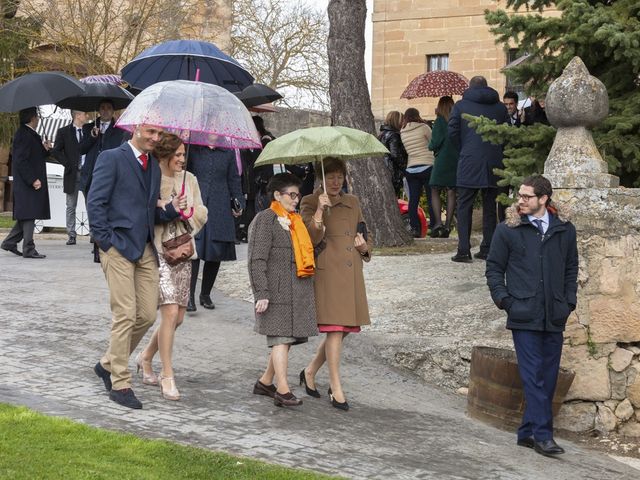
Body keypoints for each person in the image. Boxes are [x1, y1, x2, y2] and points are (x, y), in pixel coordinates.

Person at [88, 124, 187, 409]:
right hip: (116, 246)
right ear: (136, 129)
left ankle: (107, 363)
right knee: (125, 314)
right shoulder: (111, 158)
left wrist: (170, 209)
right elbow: (95, 203)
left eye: (159, 135)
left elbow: (148, 211)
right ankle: (120, 383)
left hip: (144, 248)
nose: (155, 139)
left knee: (144, 314)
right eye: (150, 132)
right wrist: (105, 242)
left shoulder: (153, 167)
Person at [486, 175, 578, 457]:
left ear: (543, 199)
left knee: (548, 377)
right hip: (523, 313)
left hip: (555, 314)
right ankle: (543, 436)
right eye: (519, 195)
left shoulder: (564, 229)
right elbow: (493, 269)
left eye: (527, 196)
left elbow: (570, 268)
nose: (520, 201)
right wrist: (505, 301)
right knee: (533, 376)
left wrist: (568, 302)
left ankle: (526, 432)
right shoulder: (508, 230)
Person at [137, 133, 207, 401]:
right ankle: (168, 375)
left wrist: (189, 212)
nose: (181, 159)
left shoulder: (190, 179)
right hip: (159, 253)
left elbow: (202, 211)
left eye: (183, 154)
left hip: (184, 253)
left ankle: (145, 357)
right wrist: (168, 207)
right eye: (177, 155)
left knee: (177, 317)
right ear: (164, 155)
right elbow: (146, 213)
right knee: (168, 314)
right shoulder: (152, 177)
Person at [299, 157, 372, 411]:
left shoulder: (352, 202)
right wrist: (320, 210)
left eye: (339, 177)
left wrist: (365, 248)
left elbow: (364, 232)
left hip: (351, 272)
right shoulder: (309, 201)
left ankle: (309, 371)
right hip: (327, 273)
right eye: (330, 177)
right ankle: (336, 387)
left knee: (339, 332)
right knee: (335, 329)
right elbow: (309, 237)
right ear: (321, 178)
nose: (335, 182)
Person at [248, 173, 318, 407]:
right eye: (292, 194)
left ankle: (265, 382)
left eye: (298, 195)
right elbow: (256, 259)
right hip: (275, 292)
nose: (296, 199)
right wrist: (262, 293)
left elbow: (306, 251)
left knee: (285, 340)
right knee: (279, 339)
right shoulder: (265, 219)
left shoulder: (294, 220)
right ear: (277, 195)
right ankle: (282, 389)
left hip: (296, 290)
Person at [448, 76, 510, 263]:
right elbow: (507, 133)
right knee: (490, 206)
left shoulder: (460, 106)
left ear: (470, 87)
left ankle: (463, 250)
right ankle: (488, 248)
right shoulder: (500, 107)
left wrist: (465, 149)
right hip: (495, 160)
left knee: (464, 205)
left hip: (469, 161)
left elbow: (452, 133)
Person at [187, 146, 244, 312]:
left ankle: (205, 294)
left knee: (215, 251)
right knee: (194, 250)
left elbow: (234, 179)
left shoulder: (228, 152)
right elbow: (185, 174)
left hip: (220, 204)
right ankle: (189, 296)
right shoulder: (194, 148)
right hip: (197, 202)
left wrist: (239, 200)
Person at [80, 98, 129, 262]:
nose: (105, 110)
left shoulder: (120, 129)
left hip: (110, 176)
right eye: (102, 108)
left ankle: (105, 246)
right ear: (98, 110)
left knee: (108, 212)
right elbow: (80, 149)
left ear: (113, 111)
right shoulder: (88, 127)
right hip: (90, 176)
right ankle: (96, 248)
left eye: (109, 108)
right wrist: (93, 137)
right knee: (94, 212)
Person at [1, 107, 51, 259]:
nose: (38, 119)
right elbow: (20, 161)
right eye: (37, 116)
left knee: (27, 214)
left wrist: (45, 149)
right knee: (29, 214)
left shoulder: (30, 134)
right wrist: (32, 179)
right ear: (32, 118)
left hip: (29, 182)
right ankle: (28, 248)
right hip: (27, 182)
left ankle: (9, 242)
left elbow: (35, 156)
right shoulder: (23, 134)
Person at [52, 110, 89, 245]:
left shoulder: (89, 130)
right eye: (85, 114)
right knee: (71, 205)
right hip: (71, 173)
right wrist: (67, 164)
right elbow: (55, 150)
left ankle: (94, 234)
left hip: (87, 173)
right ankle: (71, 234)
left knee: (91, 204)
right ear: (78, 115)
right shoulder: (64, 132)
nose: (87, 116)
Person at [400, 107, 435, 238]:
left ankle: (414, 227)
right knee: (432, 197)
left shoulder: (402, 131)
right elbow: (433, 143)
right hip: (427, 165)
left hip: (411, 168)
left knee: (413, 200)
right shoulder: (424, 127)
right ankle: (434, 224)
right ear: (417, 115)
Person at [428, 96, 458, 238]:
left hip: (442, 160)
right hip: (456, 159)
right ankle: (448, 225)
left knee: (435, 189)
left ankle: (438, 223)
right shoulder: (457, 120)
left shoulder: (439, 121)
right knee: (451, 191)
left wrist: (430, 146)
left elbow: (435, 143)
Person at [378, 110, 407, 196]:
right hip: (392, 172)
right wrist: (405, 168)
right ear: (397, 121)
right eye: (402, 121)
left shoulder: (381, 134)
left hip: (383, 171)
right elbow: (396, 155)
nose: (403, 124)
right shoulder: (394, 135)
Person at [251, 116, 276, 212]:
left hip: (264, 185)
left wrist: (263, 180)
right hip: (267, 183)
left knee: (262, 213)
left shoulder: (265, 141)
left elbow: (266, 163)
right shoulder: (268, 139)